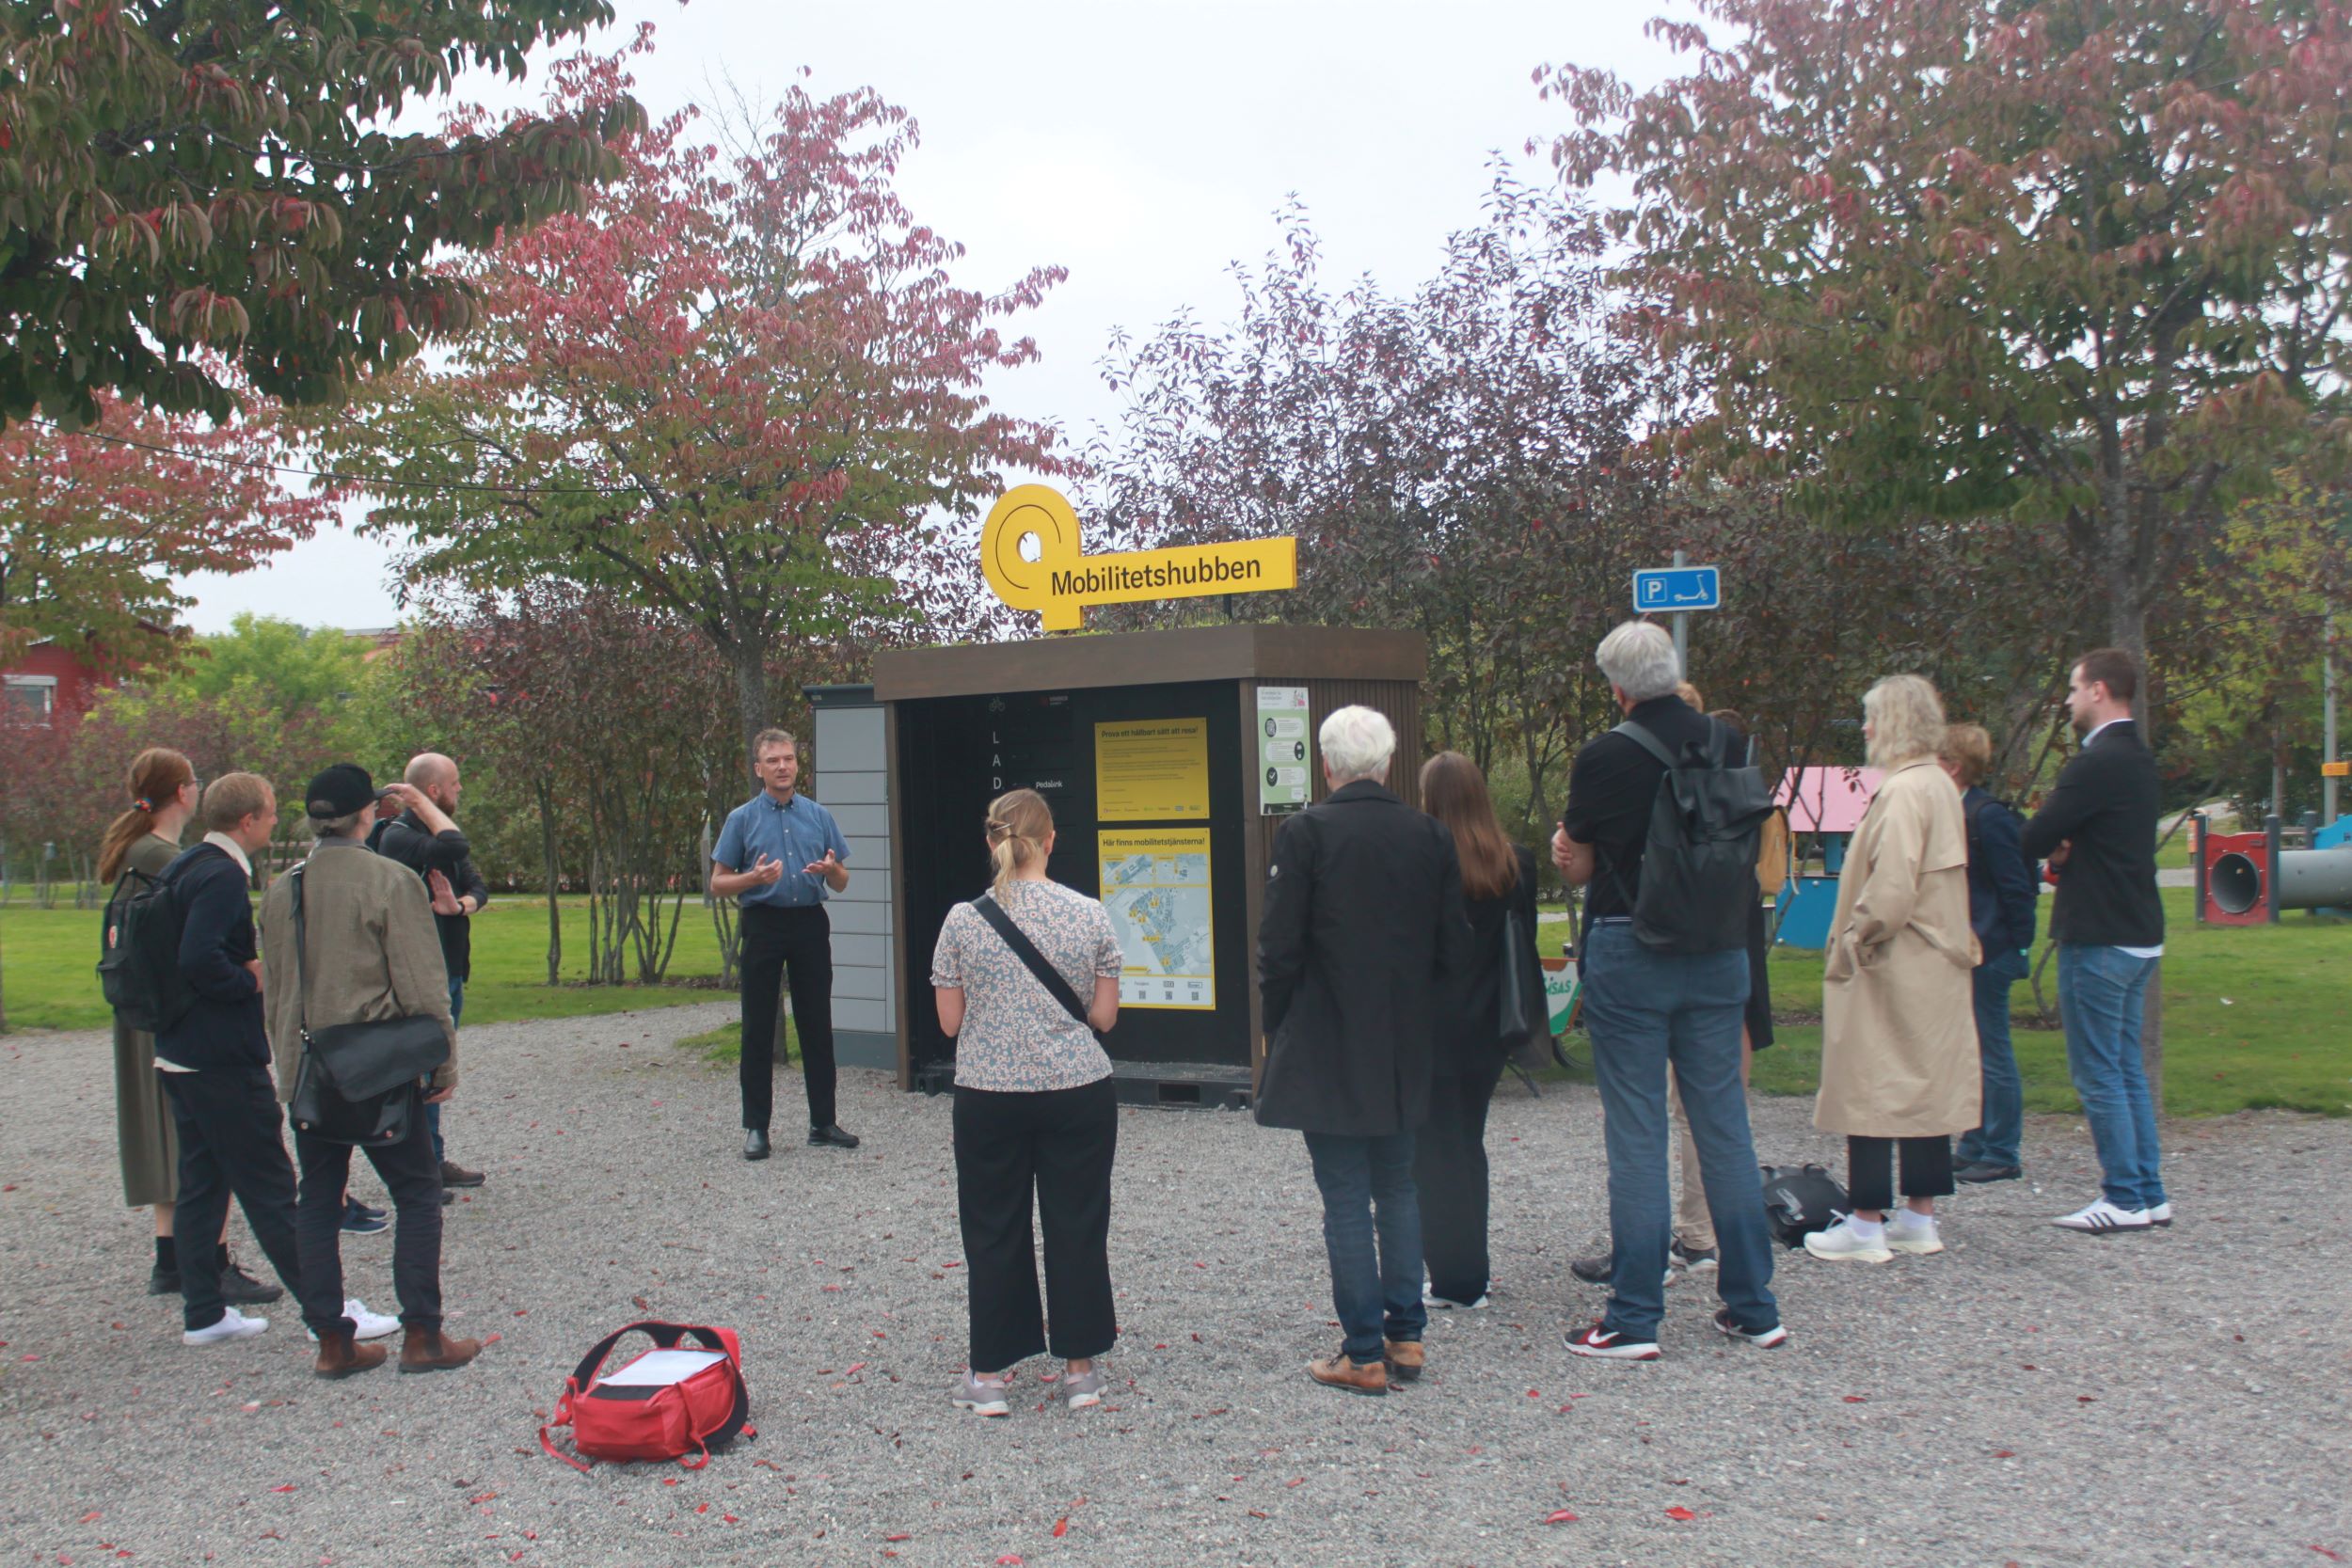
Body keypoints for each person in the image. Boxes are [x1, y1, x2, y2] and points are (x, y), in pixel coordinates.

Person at [1551, 622, 1785, 1358]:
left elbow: (1580, 860)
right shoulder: (1729, 744)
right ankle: (1752, 1304)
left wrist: (1566, 853)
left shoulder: (1606, 755)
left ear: (1617, 686)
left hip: (1633, 944)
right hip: (1720, 949)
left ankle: (1633, 1315)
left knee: (1639, 1130)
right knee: (1723, 1127)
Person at [1256, 705, 1468, 1396]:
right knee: (1397, 1186)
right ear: (1386, 763)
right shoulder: (1430, 835)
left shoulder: (1307, 833)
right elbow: (1452, 946)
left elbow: (1280, 945)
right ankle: (1407, 1335)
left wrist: (1274, 1020)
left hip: (1327, 1035)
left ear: (1327, 764)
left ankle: (1362, 1350)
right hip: (1404, 1037)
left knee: (1345, 1194)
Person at [260, 764, 477, 1377]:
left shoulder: (283, 891)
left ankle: (332, 1338)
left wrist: (288, 1072)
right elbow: (421, 983)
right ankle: (423, 1333)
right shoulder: (390, 881)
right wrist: (442, 1062)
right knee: (416, 1191)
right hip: (378, 1066)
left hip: (312, 1069)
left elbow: (276, 993)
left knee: (318, 1201)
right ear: (369, 813)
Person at [929, 789, 1123, 1417]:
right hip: (1077, 1090)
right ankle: (1080, 1370)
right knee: (1077, 1224)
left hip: (989, 1092)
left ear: (992, 842)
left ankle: (989, 1374)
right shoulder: (1090, 913)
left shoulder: (962, 919)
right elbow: (1104, 1016)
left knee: (992, 1229)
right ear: (1051, 840)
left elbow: (951, 1023)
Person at [1805, 675, 1980, 1262]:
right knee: (1924, 1087)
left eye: (1872, 716)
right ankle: (1918, 1216)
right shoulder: (1939, 785)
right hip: (1935, 961)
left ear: (1896, 722)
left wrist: (1858, 935)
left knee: (1872, 1089)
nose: (1865, 728)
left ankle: (1865, 1224)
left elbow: (1892, 889)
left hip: (1895, 959)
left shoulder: (1904, 790)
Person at [96, 749, 279, 1307]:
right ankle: (207, 1262)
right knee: (198, 1138)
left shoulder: (146, 850)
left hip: (155, 1003)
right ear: (182, 792)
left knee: (175, 1135)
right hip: (181, 1010)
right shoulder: (168, 856)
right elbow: (196, 952)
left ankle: (173, 1259)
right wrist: (246, 980)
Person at [152, 772, 306, 1346]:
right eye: (269, 814)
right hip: (219, 1057)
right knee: (269, 1183)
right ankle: (329, 1313)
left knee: (202, 1183)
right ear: (247, 821)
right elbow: (199, 959)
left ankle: (204, 1313)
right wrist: (250, 980)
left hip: (180, 1051)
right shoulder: (221, 874)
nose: (272, 822)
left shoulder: (186, 863)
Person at [2020, 649, 2169, 1234]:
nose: (2069, 700)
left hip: (2099, 934)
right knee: (2126, 1067)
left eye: (2075, 689)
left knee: (2099, 1072)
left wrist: (2059, 845)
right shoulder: (2139, 756)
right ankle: (2149, 1191)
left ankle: (2125, 1196)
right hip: (2138, 932)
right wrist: (2068, 843)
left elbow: (2036, 835)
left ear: (2100, 690)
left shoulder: (2095, 762)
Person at [1413, 751, 1538, 1312]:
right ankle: (1472, 1269)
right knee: (1468, 1144)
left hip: (1434, 1023)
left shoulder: (1421, 860)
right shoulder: (1516, 864)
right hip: (1490, 1024)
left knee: (1435, 1152)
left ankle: (1455, 1279)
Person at [712, 729, 857, 1158]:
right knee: (758, 1027)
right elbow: (718, 883)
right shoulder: (742, 819)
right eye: (773, 760)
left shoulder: (818, 816)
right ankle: (757, 1127)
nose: (782, 767)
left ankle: (823, 1122)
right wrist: (752, 879)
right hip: (763, 924)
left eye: (789, 759)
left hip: (810, 924)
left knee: (817, 1024)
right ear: (759, 769)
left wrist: (831, 870)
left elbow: (843, 881)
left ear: (797, 764)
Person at [370, 753, 489, 1195]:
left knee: (438, 1069)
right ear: (433, 792)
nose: (460, 791)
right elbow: (457, 848)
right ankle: (418, 1169)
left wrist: (458, 906)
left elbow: (477, 885)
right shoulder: (399, 838)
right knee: (421, 1070)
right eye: (454, 784)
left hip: (450, 968)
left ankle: (432, 1160)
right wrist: (420, 805)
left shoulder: (435, 834)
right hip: (420, 973)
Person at [1940, 722, 2039, 1184]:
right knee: (1973, 1048)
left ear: (1954, 767)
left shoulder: (1987, 815)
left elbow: (2016, 885)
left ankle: (2002, 1147)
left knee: (1993, 1048)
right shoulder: (1956, 812)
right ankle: (1976, 1140)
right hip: (1968, 948)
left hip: (1990, 947)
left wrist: (2014, 942)